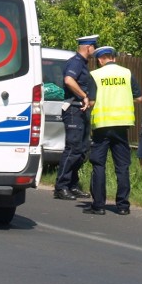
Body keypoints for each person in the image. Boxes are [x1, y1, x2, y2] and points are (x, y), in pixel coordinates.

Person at [84, 46, 142, 215]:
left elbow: (92, 101)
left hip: (102, 126)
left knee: (98, 164)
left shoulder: (95, 75)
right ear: (114, 58)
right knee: (122, 165)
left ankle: (99, 205)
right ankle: (123, 206)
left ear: (101, 60)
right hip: (122, 125)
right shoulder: (126, 73)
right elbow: (138, 98)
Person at [54, 34, 98, 201]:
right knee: (72, 148)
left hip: (81, 112)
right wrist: (83, 96)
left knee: (82, 150)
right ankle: (61, 187)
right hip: (73, 110)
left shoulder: (82, 63)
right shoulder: (76, 62)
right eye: (94, 46)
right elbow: (69, 80)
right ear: (89, 47)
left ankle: (72, 184)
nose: (94, 49)